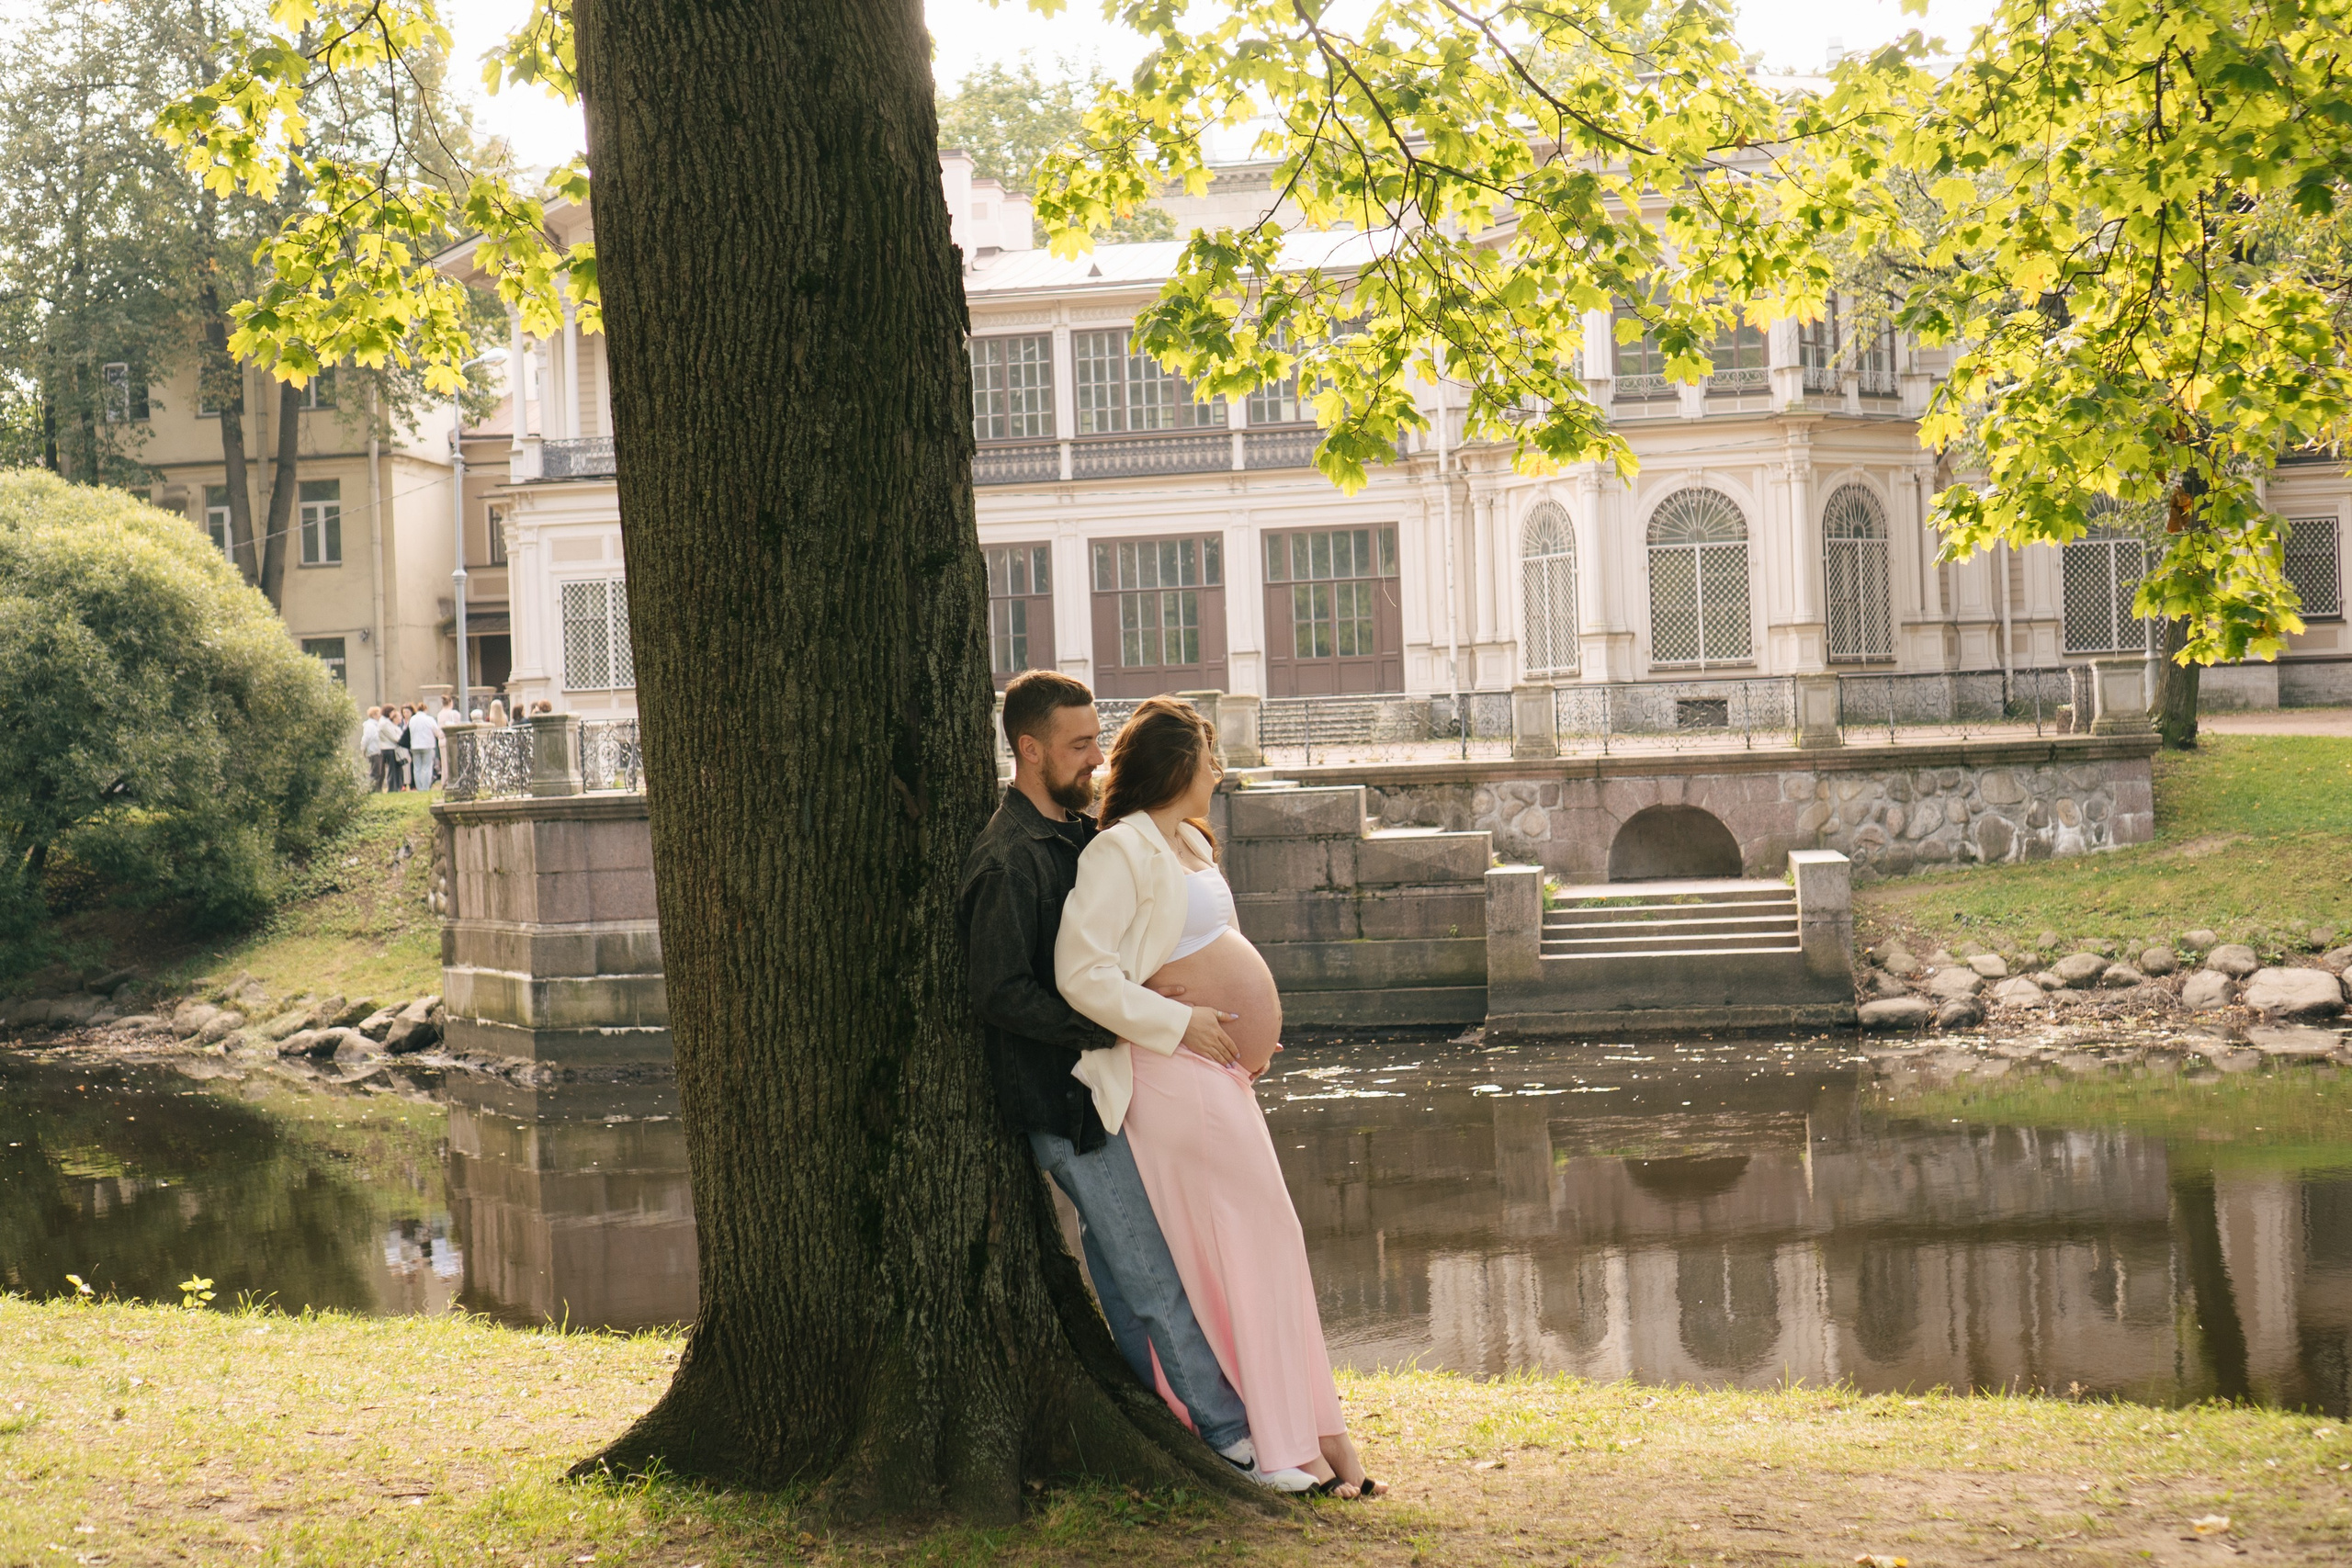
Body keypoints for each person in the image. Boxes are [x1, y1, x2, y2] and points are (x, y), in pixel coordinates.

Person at [1056, 696, 1385, 1499]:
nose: (1221, 769)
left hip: (1217, 1075)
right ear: (1176, 765)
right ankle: (1275, 1446)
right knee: (1242, 1243)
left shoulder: (1193, 840)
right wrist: (1178, 1020)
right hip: (1169, 1076)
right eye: (1210, 756)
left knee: (1267, 1238)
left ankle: (1316, 1434)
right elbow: (1081, 974)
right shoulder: (1117, 852)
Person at [956, 671, 1275, 1487]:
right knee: (1147, 1270)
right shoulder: (1008, 857)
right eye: (1078, 744)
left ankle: (1158, 1405)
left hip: (1109, 1085)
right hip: (1065, 1102)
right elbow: (997, 990)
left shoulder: (1074, 829)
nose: (1098, 756)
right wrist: (1119, 1017)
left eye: (1099, 739)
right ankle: (1230, 1434)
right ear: (1028, 750)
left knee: (1119, 1262)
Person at [405, 701, 443, 791]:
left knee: (417, 767)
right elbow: (436, 732)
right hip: (427, 745)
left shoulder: (412, 719)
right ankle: (425, 787)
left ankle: (419, 787)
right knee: (426, 767)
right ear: (425, 710)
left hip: (414, 745)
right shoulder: (429, 719)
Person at [361, 705, 392, 792]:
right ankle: (372, 790)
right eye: (379, 713)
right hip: (374, 751)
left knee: (381, 773)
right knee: (376, 772)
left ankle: (379, 789)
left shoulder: (377, 724)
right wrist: (363, 749)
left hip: (380, 750)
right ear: (374, 715)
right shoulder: (370, 725)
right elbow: (366, 738)